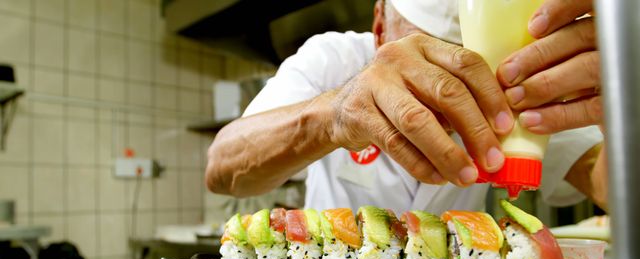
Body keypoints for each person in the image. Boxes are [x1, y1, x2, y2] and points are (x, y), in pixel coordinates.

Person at [206, 0, 606, 216]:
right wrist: (336, 115)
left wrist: (623, 107)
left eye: (472, 72)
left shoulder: (515, 75)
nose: (445, 92)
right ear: (379, 24)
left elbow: (605, 184)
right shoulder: (333, 59)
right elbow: (223, 169)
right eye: (422, 56)